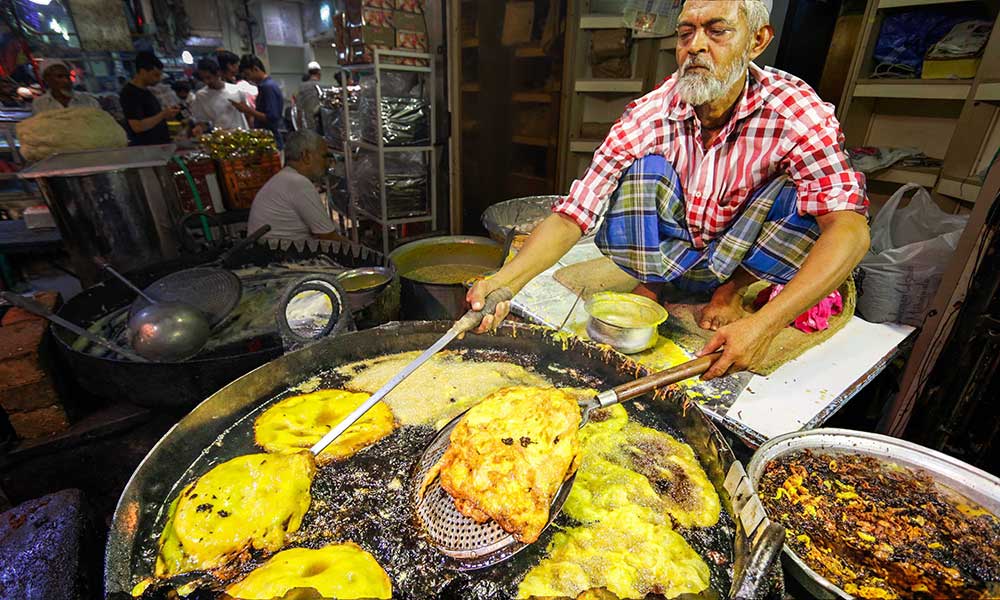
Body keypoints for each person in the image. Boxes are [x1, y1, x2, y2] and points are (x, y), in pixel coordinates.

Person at [468, 0, 870, 381]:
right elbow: (574, 213)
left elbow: (850, 230)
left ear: (757, 40)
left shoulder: (795, 113)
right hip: (674, 245)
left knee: (808, 198)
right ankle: (653, 282)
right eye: (686, 33)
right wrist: (506, 282)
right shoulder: (649, 114)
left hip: (742, 250)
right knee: (643, 170)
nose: (695, 46)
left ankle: (730, 291)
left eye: (717, 31)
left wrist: (765, 325)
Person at [247, 130, 347, 242]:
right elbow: (329, 237)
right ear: (306, 156)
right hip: (279, 251)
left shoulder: (285, 178)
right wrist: (359, 250)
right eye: (324, 157)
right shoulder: (298, 183)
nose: (327, 163)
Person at [119, 51, 178, 145]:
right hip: (146, 148)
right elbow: (137, 126)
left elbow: (152, 119)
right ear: (143, 72)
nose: (159, 79)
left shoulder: (147, 91)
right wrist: (163, 114)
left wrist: (167, 115)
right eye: (155, 75)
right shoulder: (130, 93)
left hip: (160, 145)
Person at [234, 54, 284, 148]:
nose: (248, 79)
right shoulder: (265, 86)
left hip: (271, 139)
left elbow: (271, 118)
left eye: (248, 74)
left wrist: (247, 110)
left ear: (256, 69)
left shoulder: (268, 87)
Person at [190, 58, 248, 131]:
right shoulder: (201, 95)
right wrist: (199, 128)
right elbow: (202, 121)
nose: (206, 81)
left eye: (208, 77)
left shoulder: (236, 90)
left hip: (242, 133)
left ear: (218, 73)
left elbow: (248, 113)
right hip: (221, 135)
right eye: (202, 79)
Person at [31, 60, 100, 114]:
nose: (66, 81)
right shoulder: (40, 104)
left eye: (68, 76)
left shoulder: (89, 101)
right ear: (47, 80)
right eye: (60, 76)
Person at [295, 60, 323, 131]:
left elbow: (299, 108)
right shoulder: (320, 87)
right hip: (320, 124)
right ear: (319, 73)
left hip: (307, 123)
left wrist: (299, 126)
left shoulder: (302, 87)